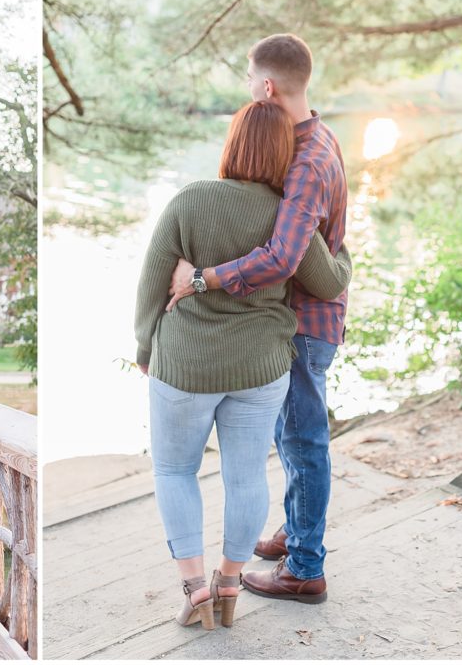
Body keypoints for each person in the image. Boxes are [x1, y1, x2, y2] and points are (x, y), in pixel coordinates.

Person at [135, 100, 351, 629]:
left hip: (186, 365)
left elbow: (150, 285)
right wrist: (344, 254)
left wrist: (146, 349)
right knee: (246, 475)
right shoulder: (286, 213)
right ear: (282, 153)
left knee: (174, 469)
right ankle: (229, 582)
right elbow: (329, 281)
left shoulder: (190, 201)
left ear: (231, 144)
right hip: (260, 370)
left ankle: (194, 589)